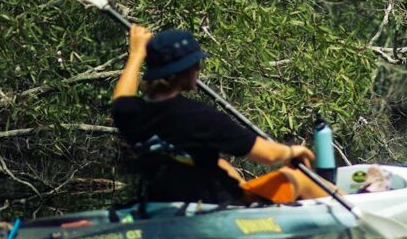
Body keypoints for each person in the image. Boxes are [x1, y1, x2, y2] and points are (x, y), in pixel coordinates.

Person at [111, 25, 340, 205]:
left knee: (220, 163)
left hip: (160, 203)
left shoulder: (130, 114)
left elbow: (121, 98)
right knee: (298, 177)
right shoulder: (199, 117)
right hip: (212, 207)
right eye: (197, 66)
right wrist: (292, 151)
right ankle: (347, 209)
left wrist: (136, 53)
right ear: (189, 71)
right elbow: (267, 155)